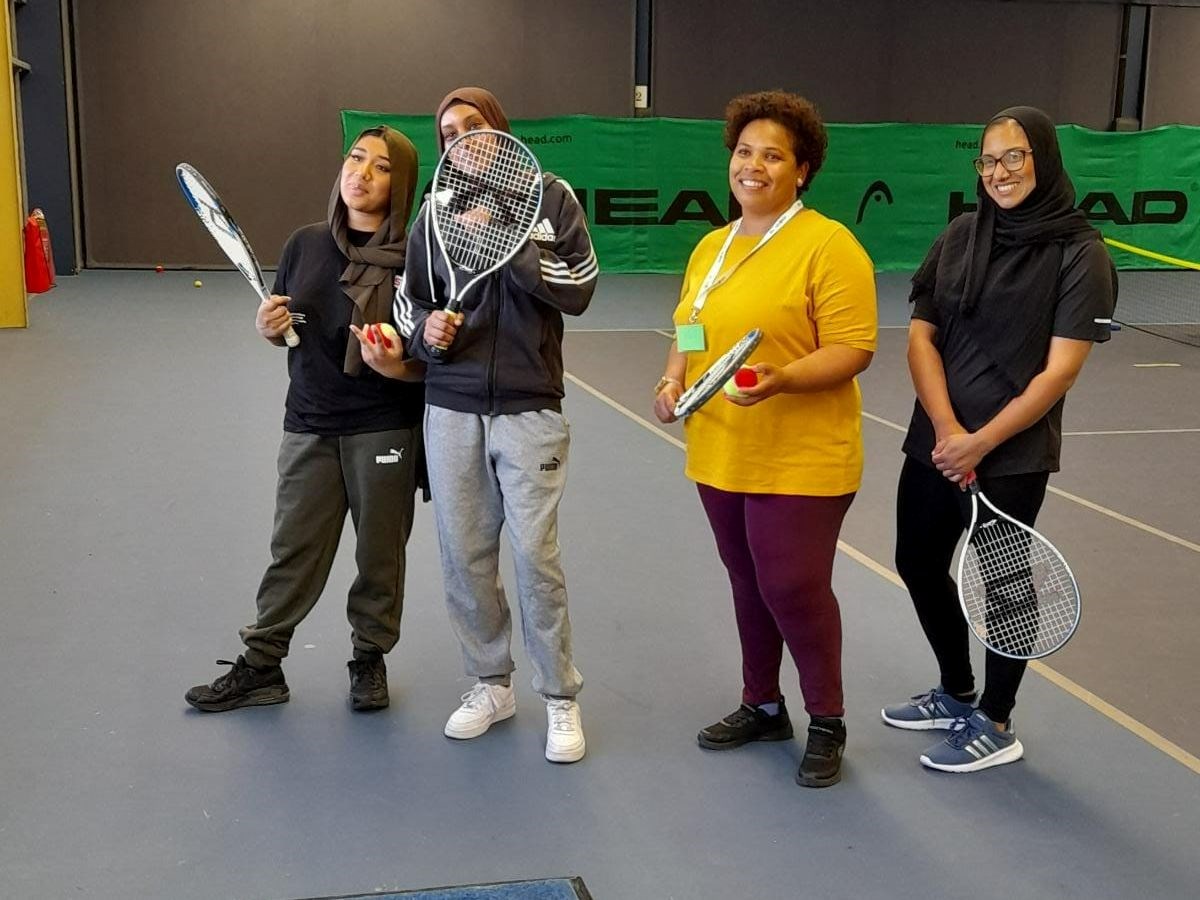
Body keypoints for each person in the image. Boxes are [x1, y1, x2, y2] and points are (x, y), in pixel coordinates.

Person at [653, 90, 877, 788]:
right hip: (720, 447)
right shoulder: (710, 248)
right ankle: (763, 703)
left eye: (773, 155)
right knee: (748, 582)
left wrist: (782, 379)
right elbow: (691, 325)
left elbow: (853, 347)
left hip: (804, 454)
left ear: (802, 170)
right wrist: (673, 377)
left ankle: (829, 719)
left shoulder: (829, 245)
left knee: (794, 584)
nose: (754, 165)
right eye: (745, 152)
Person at [882, 106, 1116, 772]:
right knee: (918, 561)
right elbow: (923, 334)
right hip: (936, 439)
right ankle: (958, 690)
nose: (999, 172)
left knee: (1006, 589)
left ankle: (997, 719)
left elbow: (1060, 369)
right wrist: (950, 431)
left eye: (1014, 156)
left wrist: (981, 442)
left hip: (1010, 455)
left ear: (1041, 159)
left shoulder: (1081, 252)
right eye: (987, 160)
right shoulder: (960, 235)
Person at [185, 126, 425, 713]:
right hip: (310, 424)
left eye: (381, 167)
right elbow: (289, 328)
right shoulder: (304, 245)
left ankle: (369, 658)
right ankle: (263, 665)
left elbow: (431, 359)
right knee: (292, 549)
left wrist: (396, 364)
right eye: (355, 158)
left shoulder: (421, 258)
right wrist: (270, 329)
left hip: (385, 426)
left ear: (403, 185)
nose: (361, 173)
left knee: (379, 555)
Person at [392, 87, 597, 763]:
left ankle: (560, 696)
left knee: (536, 556)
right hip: (450, 405)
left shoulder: (553, 196)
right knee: (464, 555)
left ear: (500, 130)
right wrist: (427, 332)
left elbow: (582, 286)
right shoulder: (435, 210)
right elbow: (410, 302)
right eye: (448, 132)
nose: (460, 139)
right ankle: (490, 684)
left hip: (529, 403)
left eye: (471, 126)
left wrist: (513, 248)